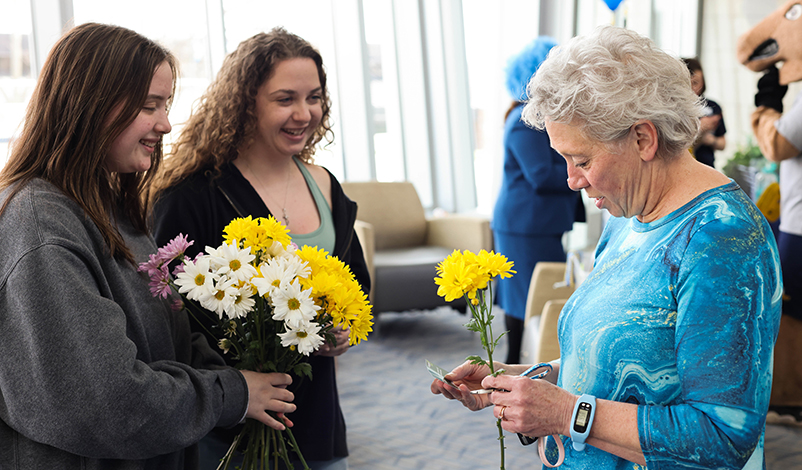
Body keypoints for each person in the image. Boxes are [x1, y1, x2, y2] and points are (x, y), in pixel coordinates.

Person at [431, 26, 781, 469]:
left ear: (643, 139)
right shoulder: (627, 216)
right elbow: (615, 361)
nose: (571, 180)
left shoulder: (720, 240)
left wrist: (563, 413)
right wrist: (520, 381)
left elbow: (722, 436)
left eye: (582, 161)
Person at [0, 23, 295, 469]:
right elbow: (107, 402)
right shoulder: (40, 225)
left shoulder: (109, 207)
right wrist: (230, 394)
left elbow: (164, 340)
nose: (166, 123)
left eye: (165, 104)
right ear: (89, 106)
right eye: (148, 106)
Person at [149, 27, 370, 470]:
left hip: (317, 417)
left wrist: (342, 330)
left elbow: (356, 285)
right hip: (230, 426)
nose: (304, 114)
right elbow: (167, 316)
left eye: (314, 97)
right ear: (246, 103)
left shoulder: (325, 184)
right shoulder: (194, 195)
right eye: (285, 99)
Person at [493, 36, 585, 364]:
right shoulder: (523, 121)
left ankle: (516, 370)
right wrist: (588, 165)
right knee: (526, 304)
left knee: (529, 302)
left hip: (535, 224)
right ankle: (516, 371)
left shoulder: (534, 119)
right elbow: (541, 175)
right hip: (524, 226)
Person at [683, 58, 726, 168]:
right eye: (689, 83)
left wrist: (711, 141)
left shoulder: (712, 107)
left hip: (707, 166)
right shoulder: (674, 109)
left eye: (696, 83)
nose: (694, 88)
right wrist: (699, 130)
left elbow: (723, 143)